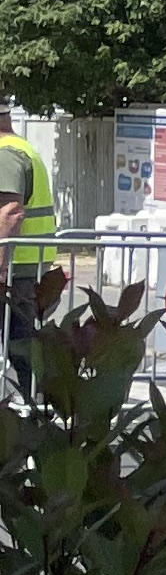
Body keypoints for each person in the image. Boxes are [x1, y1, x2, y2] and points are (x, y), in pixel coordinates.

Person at [0, 117, 53, 389]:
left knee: (21, 348)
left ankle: (37, 404)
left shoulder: (6, 154)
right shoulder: (20, 148)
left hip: (15, 270)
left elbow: (10, 213)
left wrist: (0, 266)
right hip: (25, 266)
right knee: (22, 345)